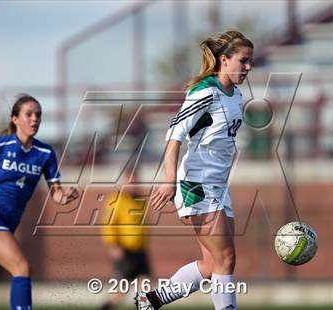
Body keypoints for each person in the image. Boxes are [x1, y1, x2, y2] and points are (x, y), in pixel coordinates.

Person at [135, 30, 254, 310]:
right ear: (224, 60)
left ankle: (150, 301)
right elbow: (173, 135)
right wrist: (169, 181)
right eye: (243, 61)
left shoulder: (235, 95)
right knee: (226, 259)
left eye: (251, 61)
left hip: (218, 187)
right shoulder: (205, 92)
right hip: (196, 184)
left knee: (213, 265)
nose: (248, 67)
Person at [0, 94, 79, 309]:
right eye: (29, 114)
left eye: (38, 115)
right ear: (15, 119)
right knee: (21, 268)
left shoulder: (45, 153)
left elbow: (57, 194)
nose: (34, 119)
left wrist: (66, 195)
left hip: (6, 226)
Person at [99, 167, 151, 310]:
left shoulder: (141, 201)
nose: (133, 185)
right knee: (119, 294)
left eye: (135, 182)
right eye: (130, 182)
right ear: (124, 182)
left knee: (145, 288)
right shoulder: (116, 200)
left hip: (140, 252)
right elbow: (109, 224)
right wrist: (113, 246)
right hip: (124, 252)